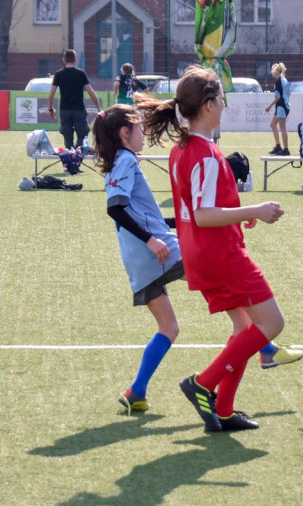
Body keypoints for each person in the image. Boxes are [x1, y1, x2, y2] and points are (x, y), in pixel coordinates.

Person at [140, 66, 291, 432]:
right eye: (221, 98)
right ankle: (203, 383)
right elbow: (205, 214)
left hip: (201, 253)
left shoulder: (183, 148)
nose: (224, 103)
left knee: (243, 330)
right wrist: (255, 209)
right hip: (219, 254)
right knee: (272, 323)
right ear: (208, 106)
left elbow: (198, 209)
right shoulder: (205, 153)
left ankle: (223, 410)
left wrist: (238, 217)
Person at [91, 103, 186, 415]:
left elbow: (145, 217)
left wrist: (188, 222)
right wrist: (152, 239)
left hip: (138, 263)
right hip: (157, 252)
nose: (143, 133)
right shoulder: (127, 160)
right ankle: (264, 345)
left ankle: (137, 391)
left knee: (169, 327)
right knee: (221, 277)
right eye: (138, 128)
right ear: (124, 133)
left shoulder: (120, 162)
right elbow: (114, 209)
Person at [47, 49, 102, 149]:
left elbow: (51, 95)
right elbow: (91, 92)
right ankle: (77, 154)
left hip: (65, 110)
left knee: (67, 138)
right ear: (75, 60)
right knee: (82, 135)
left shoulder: (58, 74)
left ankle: (70, 158)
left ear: (64, 60)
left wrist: (50, 109)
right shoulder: (81, 73)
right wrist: (99, 109)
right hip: (79, 110)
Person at [264, 63, 291, 155]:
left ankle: (286, 149)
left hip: (281, 106)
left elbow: (277, 97)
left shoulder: (279, 82)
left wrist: (269, 106)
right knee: (272, 124)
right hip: (283, 106)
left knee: (283, 128)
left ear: (275, 72)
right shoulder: (284, 80)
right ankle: (278, 146)